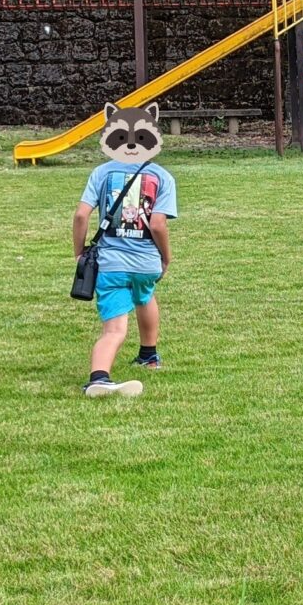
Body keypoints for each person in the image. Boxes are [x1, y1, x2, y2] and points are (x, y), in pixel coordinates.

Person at [75, 101, 176, 397]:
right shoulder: (162, 177)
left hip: (110, 263)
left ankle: (99, 377)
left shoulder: (101, 173)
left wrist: (79, 252)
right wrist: (165, 258)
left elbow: (81, 215)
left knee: (115, 329)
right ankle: (149, 355)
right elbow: (158, 224)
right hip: (146, 263)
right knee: (145, 296)